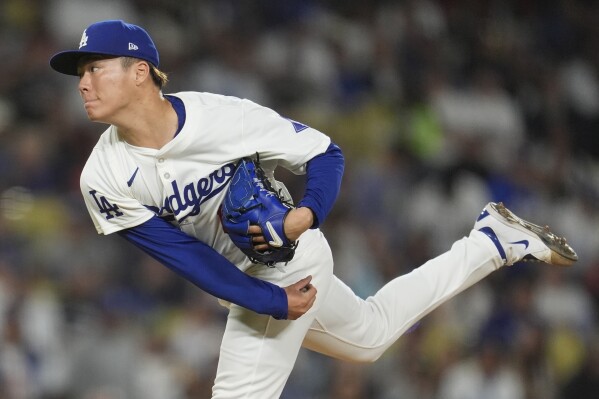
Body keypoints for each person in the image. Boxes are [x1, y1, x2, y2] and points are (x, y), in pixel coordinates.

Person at [49, 20, 578, 398]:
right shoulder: (103, 176)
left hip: (291, 256)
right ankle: (492, 242)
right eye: (80, 73)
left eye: (95, 68)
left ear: (140, 71)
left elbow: (326, 152)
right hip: (252, 281)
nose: (84, 83)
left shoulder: (222, 117)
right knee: (368, 337)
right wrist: (268, 300)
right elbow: (184, 256)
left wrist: (304, 215)